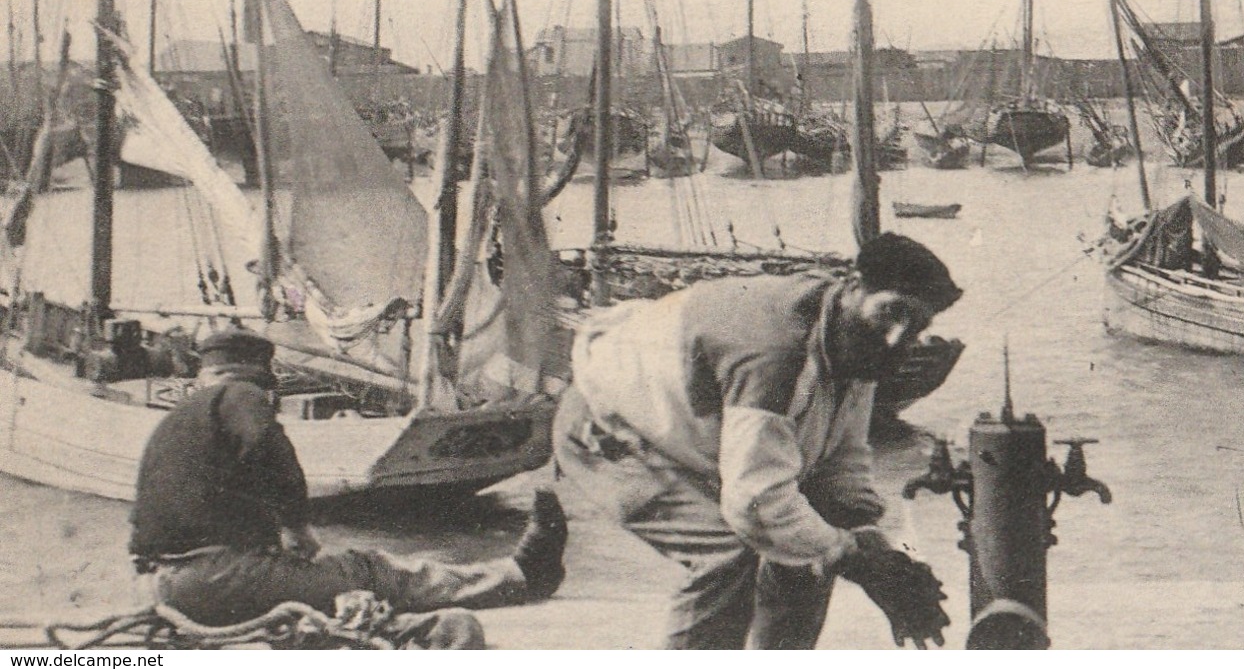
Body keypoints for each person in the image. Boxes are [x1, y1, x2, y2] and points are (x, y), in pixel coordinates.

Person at [555, 232, 961, 649]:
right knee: (728, 554)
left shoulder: (856, 340)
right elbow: (756, 506)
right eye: (892, 312)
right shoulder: (777, 353)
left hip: (690, 431)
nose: (897, 336)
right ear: (854, 287)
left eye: (915, 325)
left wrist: (875, 549)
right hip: (610, 424)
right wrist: (857, 561)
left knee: (807, 552)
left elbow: (841, 462)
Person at [129, 329, 568, 650]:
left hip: (161, 583)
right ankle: (518, 577)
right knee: (366, 569)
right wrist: (297, 527)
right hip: (221, 579)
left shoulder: (176, 419)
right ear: (262, 376)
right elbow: (269, 447)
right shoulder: (241, 396)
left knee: (329, 575)